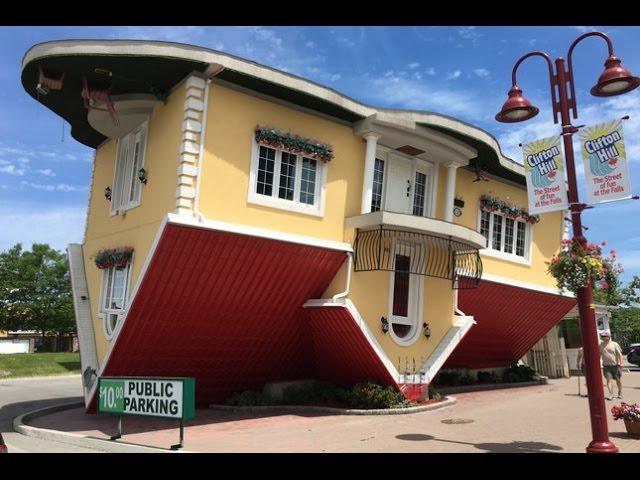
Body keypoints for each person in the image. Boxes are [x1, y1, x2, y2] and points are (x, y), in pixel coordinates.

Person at [599, 330, 624, 400]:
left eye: (604, 336)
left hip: (615, 366)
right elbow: (599, 354)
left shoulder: (614, 344)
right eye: (602, 336)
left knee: (618, 380)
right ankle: (611, 394)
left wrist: (621, 362)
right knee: (608, 380)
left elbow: (620, 355)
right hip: (606, 366)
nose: (603, 337)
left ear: (609, 336)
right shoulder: (601, 345)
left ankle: (620, 393)